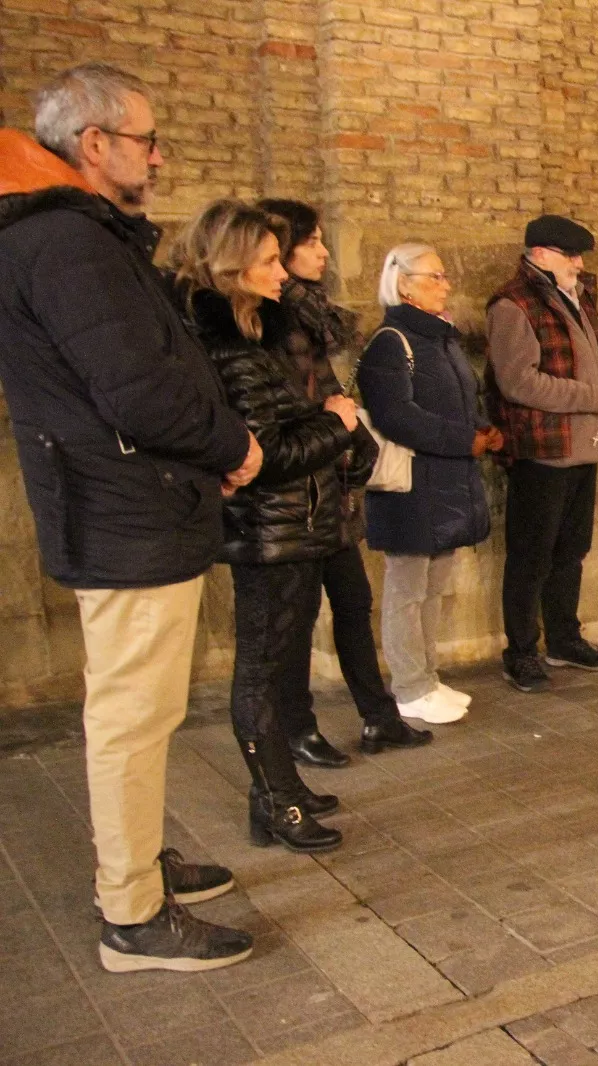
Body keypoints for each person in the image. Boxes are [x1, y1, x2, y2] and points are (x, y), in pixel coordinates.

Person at [0, 64, 261, 972]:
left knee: (139, 711)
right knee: (131, 717)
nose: (157, 156)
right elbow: (140, 389)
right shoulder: (65, 242)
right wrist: (233, 446)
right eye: (147, 140)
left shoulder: (71, 233)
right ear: (94, 142)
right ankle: (133, 916)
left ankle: (137, 863)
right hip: (124, 510)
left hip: (128, 503)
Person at [171, 199, 374, 855]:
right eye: (266, 261)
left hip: (297, 525)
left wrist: (337, 426)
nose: (282, 272)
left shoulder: (259, 335)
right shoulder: (231, 352)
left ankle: (281, 789)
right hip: (268, 531)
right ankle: (277, 801)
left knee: (277, 662)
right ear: (231, 268)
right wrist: (337, 423)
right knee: (259, 672)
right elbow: (270, 457)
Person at [258, 198, 433, 763]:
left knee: (354, 601)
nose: (324, 253)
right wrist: (338, 426)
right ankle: (297, 729)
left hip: (328, 486)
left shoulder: (307, 319)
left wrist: (354, 448)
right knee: (297, 619)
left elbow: (330, 394)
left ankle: (378, 717)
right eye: (311, 242)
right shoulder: (269, 323)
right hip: (293, 496)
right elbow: (291, 410)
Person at [360, 243, 498, 719]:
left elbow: (458, 398)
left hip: (446, 480)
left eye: (444, 275)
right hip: (411, 487)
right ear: (404, 284)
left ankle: (428, 678)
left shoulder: (441, 339)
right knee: (407, 591)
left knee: (433, 590)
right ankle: (409, 687)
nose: (446, 284)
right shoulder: (390, 342)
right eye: (434, 276)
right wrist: (463, 439)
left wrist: (482, 428)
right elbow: (396, 415)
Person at [486, 215, 598, 692]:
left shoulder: (576, 296)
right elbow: (517, 381)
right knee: (531, 556)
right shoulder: (513, 304)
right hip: (543, 450)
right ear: (540, 254)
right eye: (571, 255)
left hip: (582, 446)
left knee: (571, 551)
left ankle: (563, 639)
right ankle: (521, 652)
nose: (579, 264)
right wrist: (590, 397)